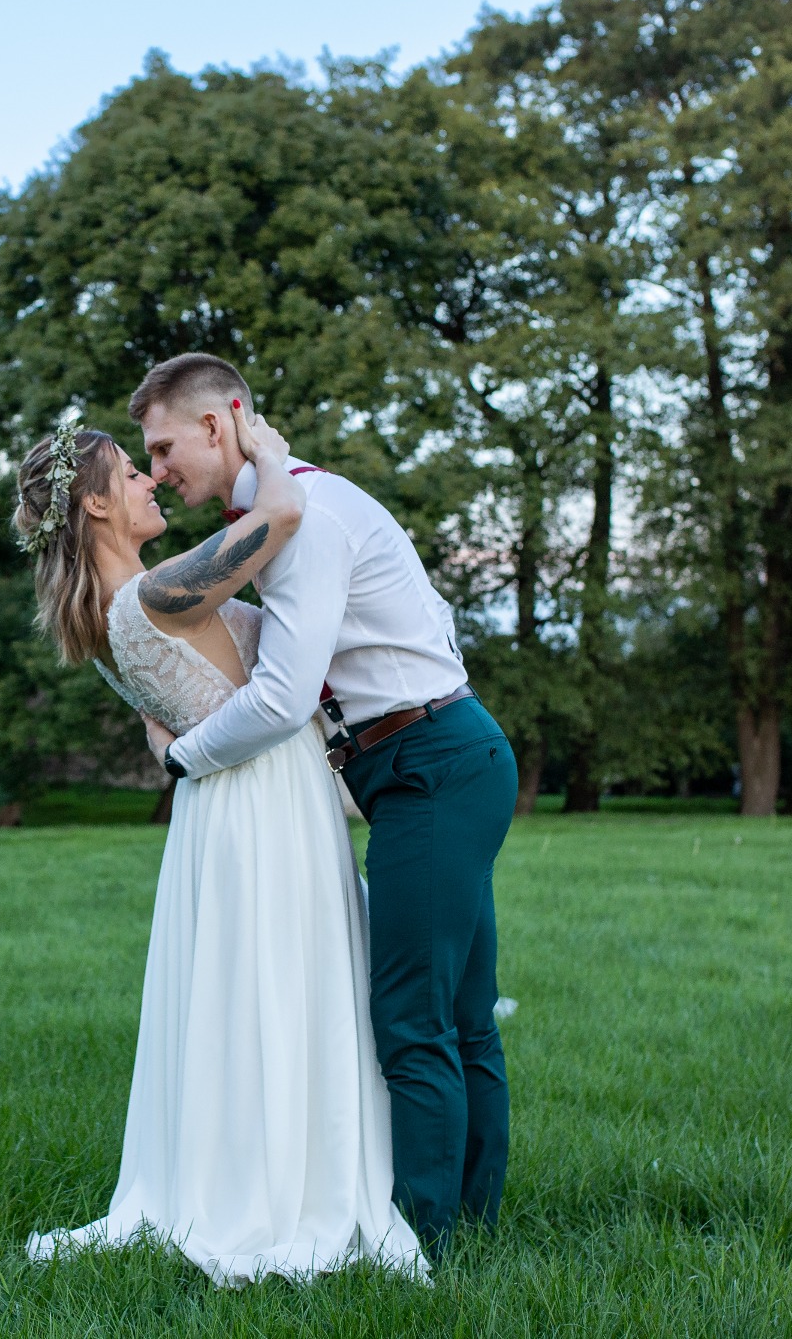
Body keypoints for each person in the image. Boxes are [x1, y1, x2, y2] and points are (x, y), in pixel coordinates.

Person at [14, 401, 425, 1285]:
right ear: (93, 506)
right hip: (261, 799)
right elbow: (281, 515)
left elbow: (163, 729)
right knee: (284, 981)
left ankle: (247, 1164)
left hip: (225, 801)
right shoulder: (157, 591)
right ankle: (284, 1185)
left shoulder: (113, 614)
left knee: (254, 987)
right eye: (131, 472)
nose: (151, 478)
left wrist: (174, 750)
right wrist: (267, 446)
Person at [135, 353, 519, 1257]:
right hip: (442, 753)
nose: (156, 471)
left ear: (220, 421)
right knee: (459, 1011)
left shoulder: (301, 520)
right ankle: (470, 1227)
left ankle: (419, 1239)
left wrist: (183, 757)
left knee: (414, 1017)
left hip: (430, 762)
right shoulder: (289, 505)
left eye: (161, 449)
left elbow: (281, 695)